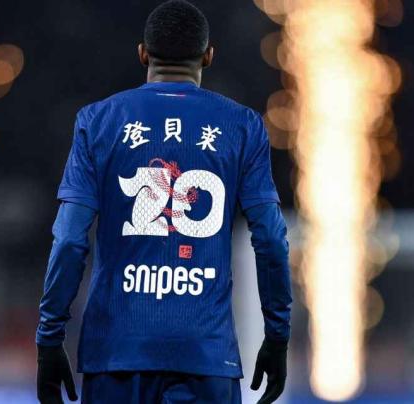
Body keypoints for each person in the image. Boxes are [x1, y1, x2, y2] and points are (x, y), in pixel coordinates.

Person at [36, 1, 292, 403]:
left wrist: (49, 337)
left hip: (117, 355)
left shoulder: (98, 121)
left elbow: (69, 240)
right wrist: (277, 335)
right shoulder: (242, 126)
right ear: (208, 56)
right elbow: (272, 240)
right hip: (207, 356)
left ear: (143, 54)